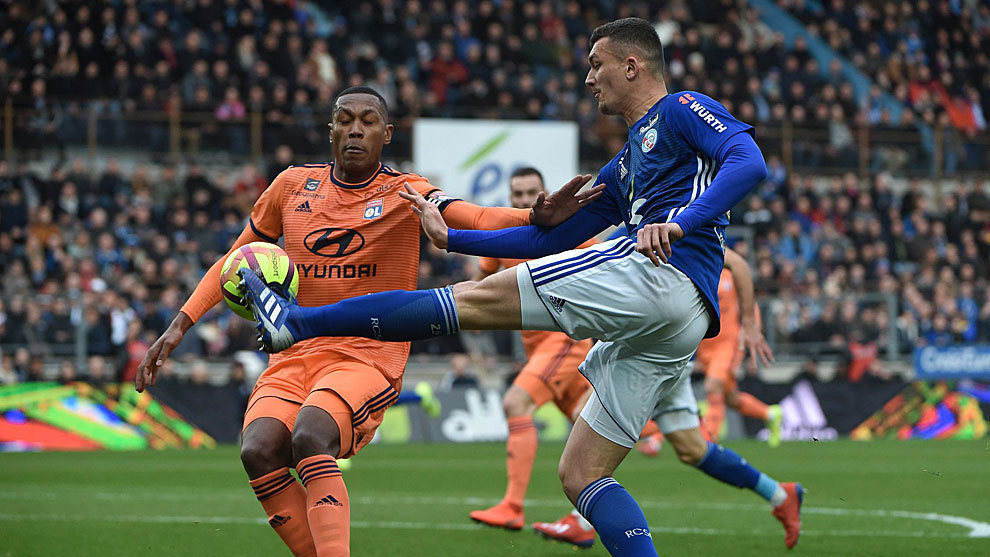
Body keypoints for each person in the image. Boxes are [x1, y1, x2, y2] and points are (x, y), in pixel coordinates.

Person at [240, 20, 803, 554]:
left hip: (657, 274)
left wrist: (681, 222)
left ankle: (299, 323)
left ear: (632, 66)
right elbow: (548, 241)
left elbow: (749, 160)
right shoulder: (626, 163)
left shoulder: (680, 109)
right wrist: (452, 239)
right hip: (678, 321)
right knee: (580, 473)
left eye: (595, 64)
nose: (587, 78)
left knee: (466, 304)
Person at [135, 86, 596, 557]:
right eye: (345, 118)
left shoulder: (406, 192)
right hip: (294, 353)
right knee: (258, 450)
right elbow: (236, 259)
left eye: (368, 120)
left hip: (366, 354)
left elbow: (475, 216)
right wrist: (179, 325)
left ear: (387, 133)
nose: (356, 128)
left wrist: (530, 215)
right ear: (330, 128)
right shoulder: (291, 184)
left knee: (311, 436)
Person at [696, 248, 782, 446]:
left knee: (713, 385)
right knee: (730, 398)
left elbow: (750, 304)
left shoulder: (731, 274)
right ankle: (770, 414)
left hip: (728, 343)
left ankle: (709, 440)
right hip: (705, 345)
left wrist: (754, 329)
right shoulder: (700, 271)